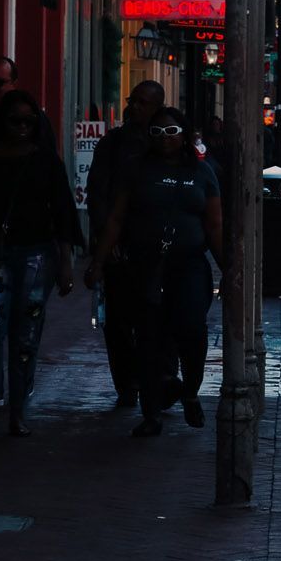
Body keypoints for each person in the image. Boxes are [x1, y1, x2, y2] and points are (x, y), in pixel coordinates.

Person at [87, 107, 224, 437]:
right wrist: (98, 261)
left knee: (191, 329)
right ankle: (151, 414)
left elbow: (215, 224)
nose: (165, 139)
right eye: (158, 133)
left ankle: (190, 391)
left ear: (185, 134)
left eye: (172, 132)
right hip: (145, 266)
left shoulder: (203, 173)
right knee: (147, 338)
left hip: (189, 265)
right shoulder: (135, 170)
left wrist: (228, 268)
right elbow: (116, 219)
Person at [0, 91, 77, 437]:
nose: (22, 127)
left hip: (35, 256)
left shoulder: (44, 161)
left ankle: (18, 410)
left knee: (26, 335)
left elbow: (63, 211)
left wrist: (66, 263)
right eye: (16, 120)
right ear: (1, 123)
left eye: (29, 121)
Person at [85, 81, 166, 408]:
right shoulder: (114, 143)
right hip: (120, 245)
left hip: (156, 245)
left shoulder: (167, 143)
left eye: (144, 103)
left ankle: (156, 377)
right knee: (118, 321)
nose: (135, 108)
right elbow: (97, 192)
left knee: (157, 316)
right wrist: (106, 240)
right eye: (134, 101)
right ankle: (127, 384)